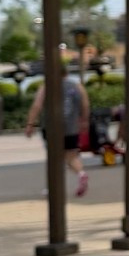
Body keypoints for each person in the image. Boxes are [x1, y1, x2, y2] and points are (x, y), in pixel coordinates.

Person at [24, 65, 91, 197]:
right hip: (72, 127)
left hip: (51, 127)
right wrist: (84, 121)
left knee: (54, 158)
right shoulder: (77, 86)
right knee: (71, 156)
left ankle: (53, 187)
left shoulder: (46, 87)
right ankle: (81, 174)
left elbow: (36, 106)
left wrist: (30, 123)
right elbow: (85, 105)